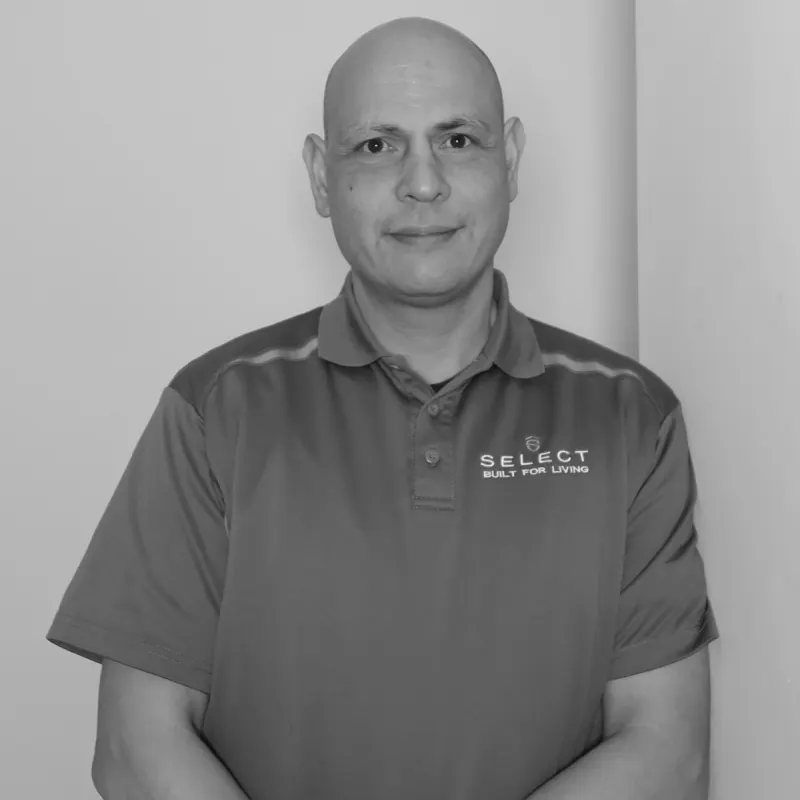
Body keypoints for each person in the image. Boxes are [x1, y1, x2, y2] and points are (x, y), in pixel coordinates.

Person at [46, 16, 718, 800]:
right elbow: (136, 746)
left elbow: (667, 749)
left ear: (510, 158)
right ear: (320, 176)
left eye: (458, 139)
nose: (422, 182)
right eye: (376, 145)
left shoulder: (631, 416)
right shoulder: (217, 408)